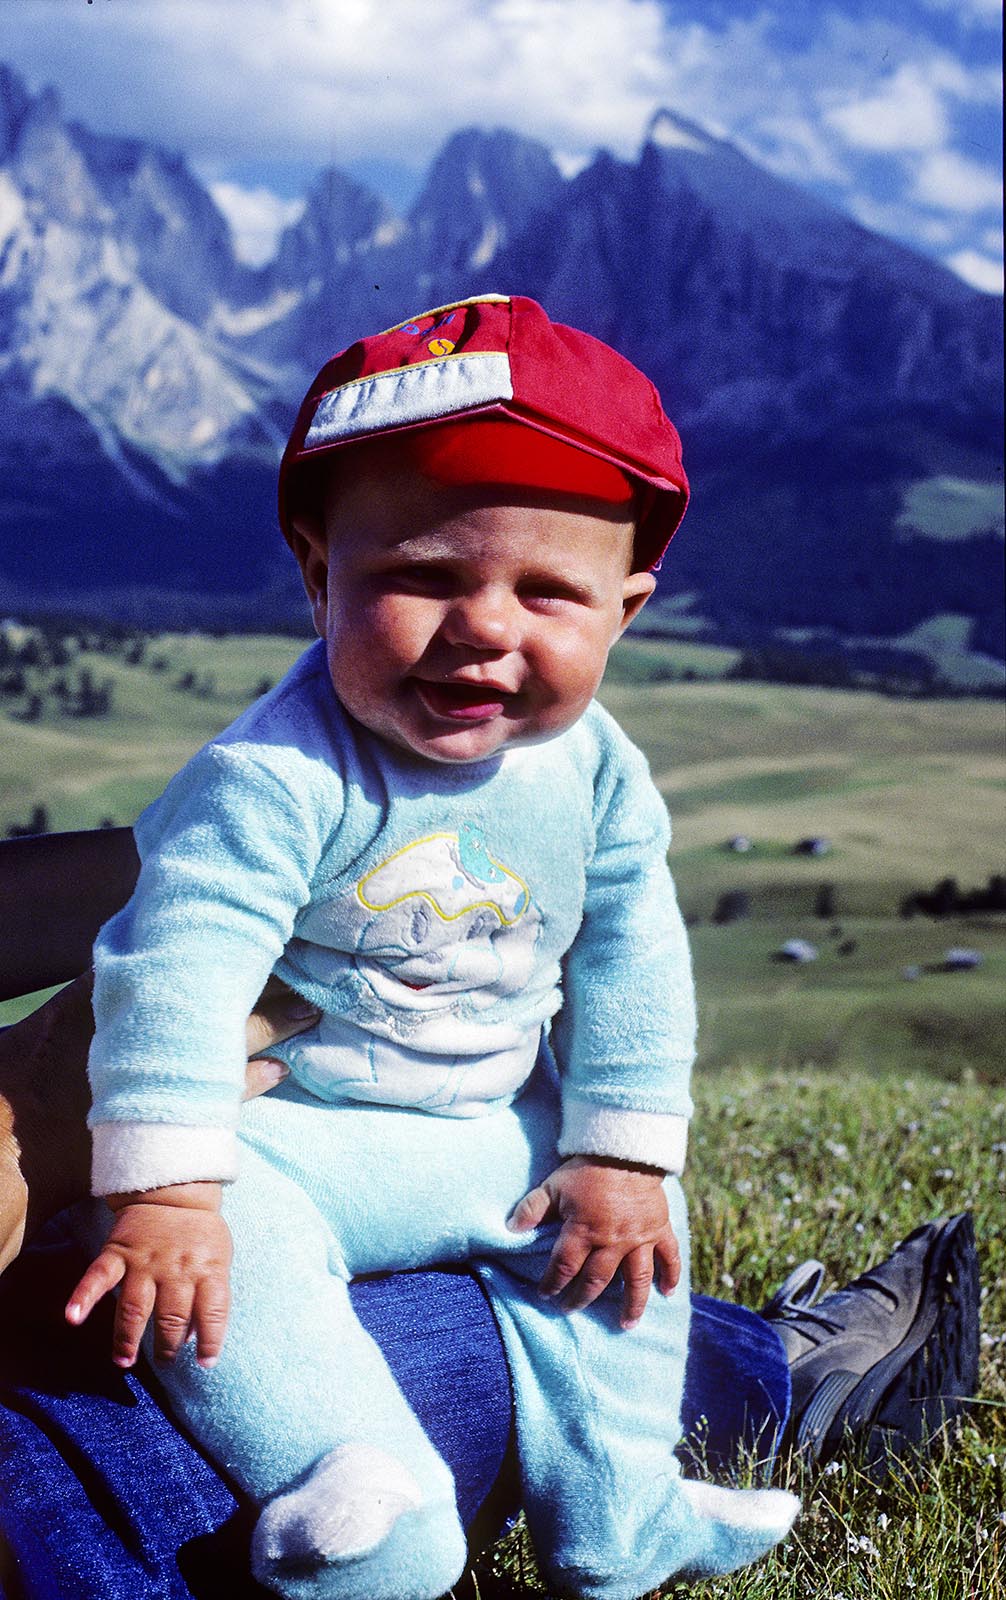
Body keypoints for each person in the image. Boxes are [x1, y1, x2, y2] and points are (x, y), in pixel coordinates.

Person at [0, 296, 980, 1600]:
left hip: (481, 1132)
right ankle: (352, 1489)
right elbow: (175, 973)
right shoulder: (274, 779)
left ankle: (620, 1501)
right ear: (315, 572)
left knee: (622, 1234)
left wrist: (623, 1152)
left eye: (547, 592)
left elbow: (634, 959)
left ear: (625, 611)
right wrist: (168, 1186)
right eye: (420, 576)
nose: (484, 626)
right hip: (294, 1137)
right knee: (237, 1267)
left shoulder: (596, 774)